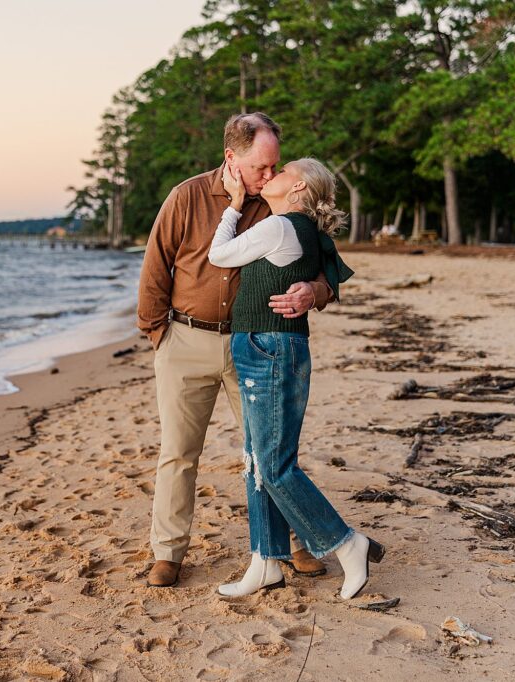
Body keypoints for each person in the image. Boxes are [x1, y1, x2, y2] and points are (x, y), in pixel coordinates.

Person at [137, 113, 335, 589]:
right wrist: (157, 333)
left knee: (269, 449)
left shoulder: (283, 202)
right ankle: (168, 553)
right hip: (186, 340)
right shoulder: (187, 196)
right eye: (260, 167)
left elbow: (328, 266)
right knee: (179, 453)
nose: (270, 175)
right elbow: (156, 264)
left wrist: (314, 291)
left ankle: (293, 544)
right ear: (231, 156)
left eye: (275, 166)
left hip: (257, 345)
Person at [208, 157, 384, 600]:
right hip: (268, 347)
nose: (272, 175)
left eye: (282, 171)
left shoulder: (281, 226)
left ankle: (347, 543)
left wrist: (233, 206)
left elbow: (218, 255)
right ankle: (265, 562)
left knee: (273, 465)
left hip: (269, 348)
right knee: (257, 461)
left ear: (299, 187)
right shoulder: (301, 229)